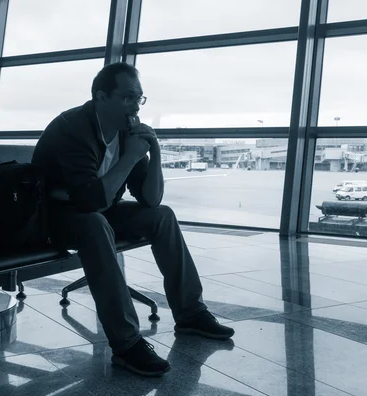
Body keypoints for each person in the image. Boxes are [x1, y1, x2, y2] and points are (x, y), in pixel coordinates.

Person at [32, 62, 234, 377]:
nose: (135, 106)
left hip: (100, 210)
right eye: (127, 98)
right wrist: (129, 158)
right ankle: (126, 344)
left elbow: (152, 199)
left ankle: (191, 312)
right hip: (55, 217)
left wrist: (153, 151)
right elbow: (89, 201)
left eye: (139, 99)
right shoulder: (73, 128)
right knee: (96, 224)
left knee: (162, 217)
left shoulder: (128, 133)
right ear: (101, 97)